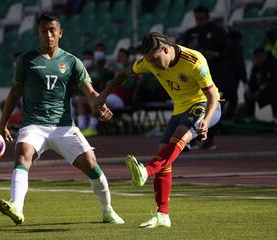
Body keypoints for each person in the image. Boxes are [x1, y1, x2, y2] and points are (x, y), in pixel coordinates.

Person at [0, 12, 124, 225]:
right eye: (44, 31)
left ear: (60, 33)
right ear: (37, 33)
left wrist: (99, 105)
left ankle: (107, 210)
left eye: (52, 30)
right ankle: (16, 207)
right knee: (22, 156)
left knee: (92, 165)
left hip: (63, 126)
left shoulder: (72, 62)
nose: (48, 35)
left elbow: (90, 92)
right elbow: (14, 93)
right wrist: (3, 123)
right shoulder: (25, 60)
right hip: (33, 125)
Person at [93, 32, 221, 228]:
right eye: (149, 60)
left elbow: (213, 95)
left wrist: (206, 120)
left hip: (204, 105)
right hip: (180, 109)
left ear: (166, 49)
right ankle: (163, 215)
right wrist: (103, 95)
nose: (152, 64)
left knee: (179, 137)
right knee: (164, 156)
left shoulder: (194, 60)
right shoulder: (148, 61)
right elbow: (123, 75)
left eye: (154, 59)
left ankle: (146, 171)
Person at [182, 5, 228, 149]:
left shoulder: (218, 31)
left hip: (213, 76)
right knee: (193, 107)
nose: (200, 21)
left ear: (208, 17)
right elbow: (180, 52)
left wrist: (215, 54)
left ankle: (209, 139)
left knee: (213, 106)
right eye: (197, 19)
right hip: (193, 79)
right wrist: (189, 47)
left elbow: (228, 50)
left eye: (202, 18)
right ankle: (192, 140)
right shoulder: (190, 33)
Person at [244, 48, 277, 126]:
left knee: (274, 91)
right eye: (256, 58)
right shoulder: (256, 67)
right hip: (263, 92)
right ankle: (251, 117)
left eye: (260, 57)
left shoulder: (273, 64)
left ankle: (275, 118)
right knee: (247, 94)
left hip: (272, 91)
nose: (258, 60)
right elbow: (252, 81)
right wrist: (249, 90)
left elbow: (273, 81)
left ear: (265, 56)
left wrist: (260, 92)